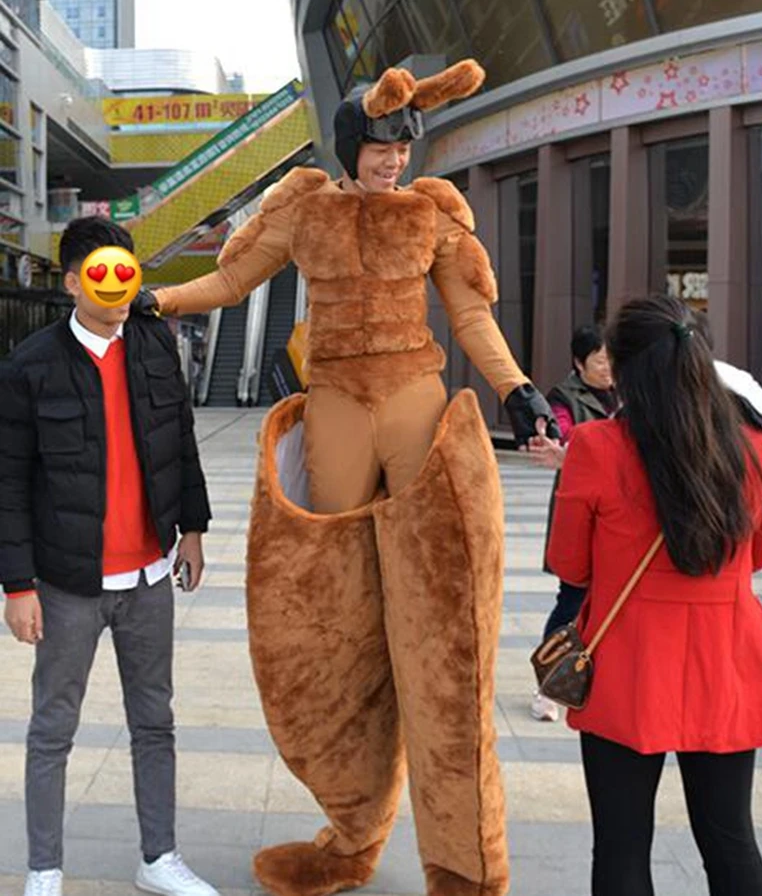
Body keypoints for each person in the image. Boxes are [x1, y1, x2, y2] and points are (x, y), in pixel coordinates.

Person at [133, 60, 557, 896]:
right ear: (350, 144)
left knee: (441, 632)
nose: (393, 160)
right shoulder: (304, 210)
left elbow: (471, 314)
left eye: (403, 145)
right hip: (333, 408)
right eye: (380, 144)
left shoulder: (434, 215)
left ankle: (465, 863)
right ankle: (350, 834)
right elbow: (231, 279)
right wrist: (163, 299)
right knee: (337, 621)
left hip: (413, 404)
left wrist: (517, 388)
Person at [546, 296, 762, 896]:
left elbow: (569, 564)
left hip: (627, 666)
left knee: (622, 844)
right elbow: (758, 556)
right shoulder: (749, 448)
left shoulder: (595, 447)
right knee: (731, 840)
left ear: (626, 368)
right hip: (727, 660)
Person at [0, 217, 217, 896]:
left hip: (150, 576)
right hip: (69, 585)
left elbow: (178, 436)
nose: (119, 284)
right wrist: (16, 585)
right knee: (52, 729)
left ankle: (159, 858)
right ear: (72, 283)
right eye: (102, 272)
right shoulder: (30, 366)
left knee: (155, 722)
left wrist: (194, 528)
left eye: (127, 269)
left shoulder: (154, 344)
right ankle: (44, 870)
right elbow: (7, 480)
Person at [530, 325, 616, 722]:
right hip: (579, 508)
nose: (607, 368)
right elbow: (565, 435)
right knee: (572, 598)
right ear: (579, 363)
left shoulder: (629, 390)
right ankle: (548, 685)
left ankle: (598, 678)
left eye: (610, 359)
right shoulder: (563, 397)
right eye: (599, 360)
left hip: (618, 509)